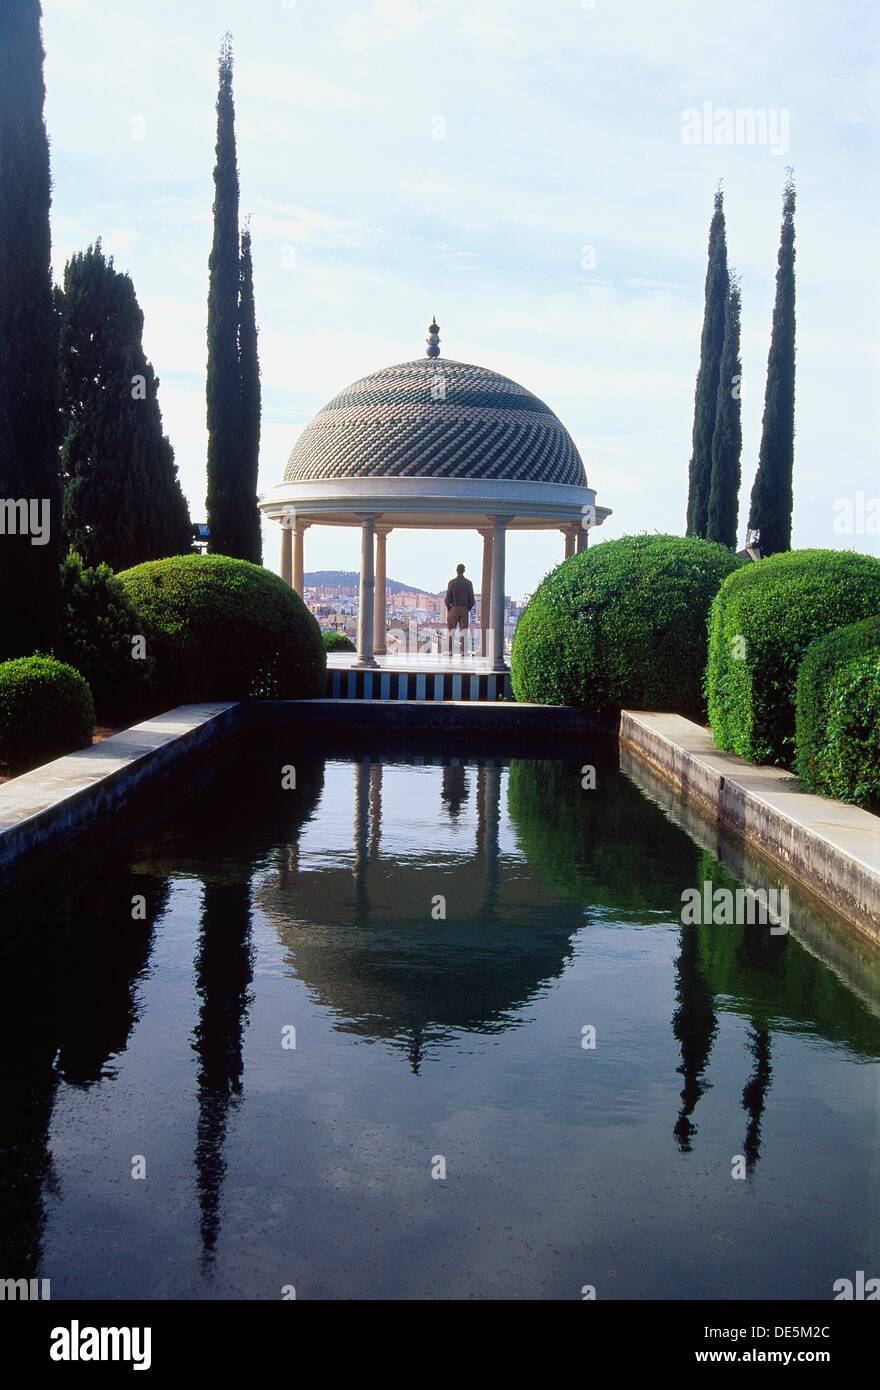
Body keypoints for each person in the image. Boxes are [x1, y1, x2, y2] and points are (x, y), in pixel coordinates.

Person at [445, 563, 475, 657]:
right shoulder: (469, 583)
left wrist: (450, 609)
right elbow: (472, 600)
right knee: (464, 631)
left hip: (453, 608)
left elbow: (447, 599)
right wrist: (467, 609)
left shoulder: (452, 582)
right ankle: (463, 651)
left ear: (456, 571)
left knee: (451, 631)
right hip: (464, 609)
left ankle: (450, 651)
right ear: (464, 571)